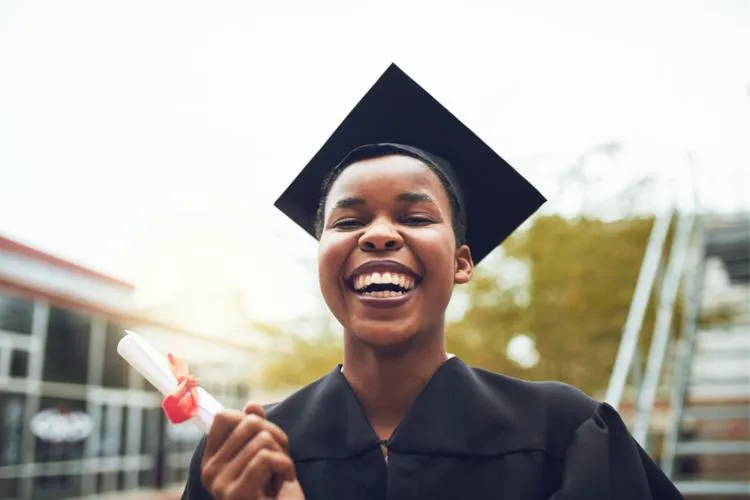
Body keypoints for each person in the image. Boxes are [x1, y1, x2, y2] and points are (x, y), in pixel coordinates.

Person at [181, 64, 683, 499]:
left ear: (463, 262)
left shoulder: (565, 433)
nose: (378, 234)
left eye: (416, 217)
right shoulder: (242, 456)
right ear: (321, 260)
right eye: (348, 221)